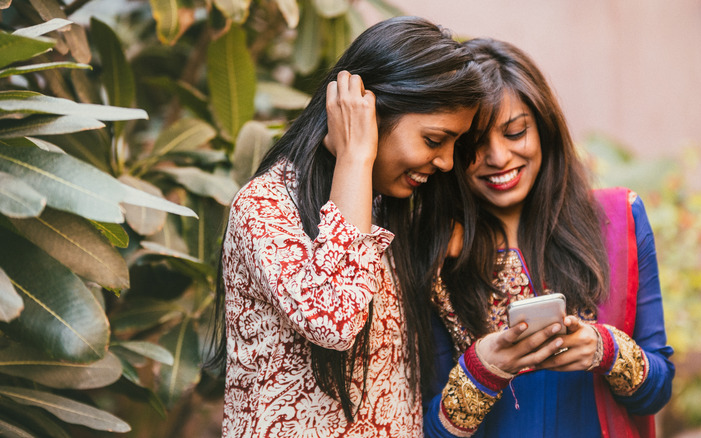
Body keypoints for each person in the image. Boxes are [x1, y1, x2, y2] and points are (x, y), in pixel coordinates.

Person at [210, 16, 485, 438]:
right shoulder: (264, 207)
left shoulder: (389, 213)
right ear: (367, 112)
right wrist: (355, 155)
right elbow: (336, 319)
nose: (446, 161)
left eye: (453, 145)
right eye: (434, 140)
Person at [422, 38, 675, 438]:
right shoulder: (438, 256)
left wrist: (604, 350)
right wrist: (482, 370)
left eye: (515, 132)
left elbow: (658, 390)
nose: (499, 157)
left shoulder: (618, 219)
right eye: (475, 144)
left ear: (543, 129)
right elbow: (430, 429)